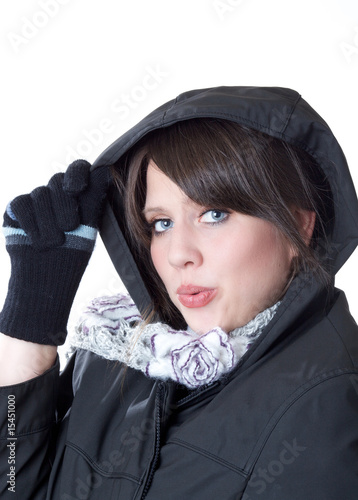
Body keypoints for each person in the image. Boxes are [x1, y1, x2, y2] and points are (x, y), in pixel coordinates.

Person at [0, 86, 357, 499]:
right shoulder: (121, 351)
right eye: (161, 223)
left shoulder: (326, 407)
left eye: (214, 214)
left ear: (299, 227)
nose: (178, 255)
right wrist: (31, 324)